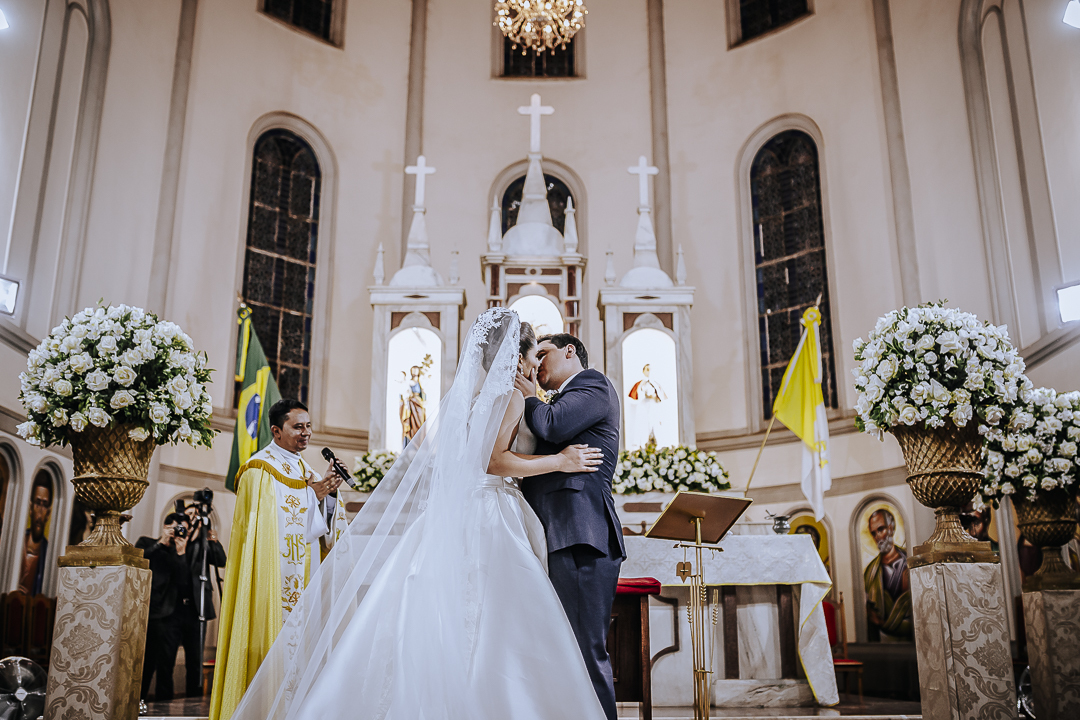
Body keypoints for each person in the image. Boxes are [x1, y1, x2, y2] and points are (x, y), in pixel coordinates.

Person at [228, 309, 609, 720]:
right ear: (517, 357)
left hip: (469, 509)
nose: (536, 365)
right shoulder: (513, 395)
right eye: (534, 355)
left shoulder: (473, 396)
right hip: (493, 511)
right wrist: (560, 462)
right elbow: (493, 462)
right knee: (498, 621)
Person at [209, 399, 348, 720]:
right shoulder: (258, 469)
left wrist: (328, 497)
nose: (306, 433)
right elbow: (267, 527)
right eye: (298, 427)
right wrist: (312, 496)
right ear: (276, 430)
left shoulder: (307, 471)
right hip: (269, 582)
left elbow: (324, 528)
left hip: (306, 579)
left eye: (309, 426)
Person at [515, 332, 627, 720]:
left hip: (580, 534)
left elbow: (553, 426)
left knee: (584, 651)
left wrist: (529, 393)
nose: (536, 363)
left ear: (570, 351)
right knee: (560, 652)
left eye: (543, 354)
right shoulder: (561, 397)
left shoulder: (593, 384)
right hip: (557, 532)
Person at [137, 513, 192, 702]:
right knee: (141, 669)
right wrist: (161, 542)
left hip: (169, 618)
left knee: (165, 670)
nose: (178, 532)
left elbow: (185, 583)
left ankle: (164, 712)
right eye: (176, 528)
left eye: (182, 529)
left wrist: (181, 553)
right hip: (144, 614)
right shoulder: (147, 542)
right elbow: (138, 562)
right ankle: (135, 708)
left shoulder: (181, 552)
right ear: (165, 526)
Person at [177, 501, 227, 698]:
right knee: (165, 656)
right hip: (173, 605)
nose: (192, 518)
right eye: (189, 514)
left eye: (196, 515)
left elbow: (221, 561)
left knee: (195, 656)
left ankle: (194, 698)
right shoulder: (178, 536)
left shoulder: (204, 543)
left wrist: (212, 541)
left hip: (198, 607)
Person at [863, 508, 913, 641]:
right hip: (884, 640)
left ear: (891, 528)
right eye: (873, 533)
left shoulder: (910, 562)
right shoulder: (870, 572)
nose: (877, 536)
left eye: (881, 529)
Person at [18, 473, 53, 594]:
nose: (40, 511)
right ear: (31, 508)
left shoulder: (48, 553)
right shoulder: (17, 541)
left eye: (45, 505)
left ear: (48, 513)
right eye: (38, 503)